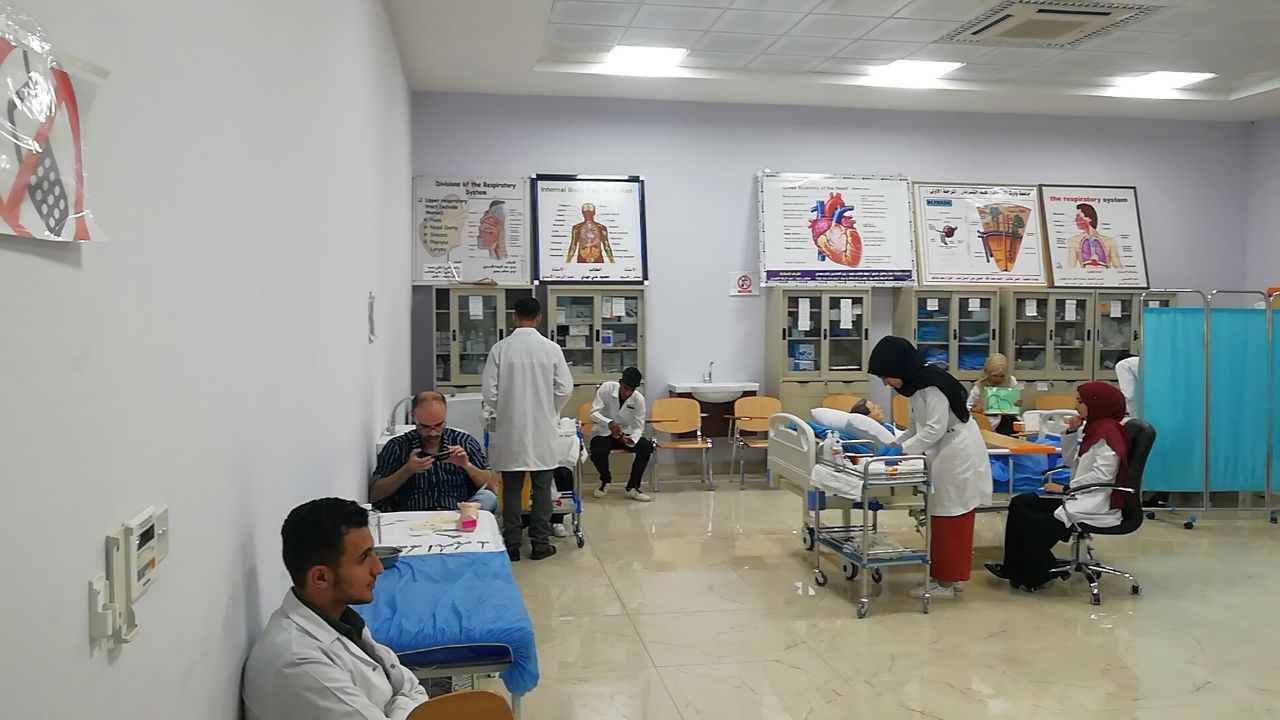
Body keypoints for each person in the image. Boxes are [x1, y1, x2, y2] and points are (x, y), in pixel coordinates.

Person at [243, 498, 427, 719]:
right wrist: (403, 699)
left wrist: (400, 700)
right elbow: (409, 694)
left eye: (373, 553)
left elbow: (412, 687)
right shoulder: (297, 664)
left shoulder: (341, 620)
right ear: (321, 577)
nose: (378, 568)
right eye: (364, 558)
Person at [868, 336, 992, 599]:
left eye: (885, 377)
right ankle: (950, 576)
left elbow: (935, 428)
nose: (885, 383)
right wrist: (893, 443)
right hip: (944, 448)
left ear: (899, 368)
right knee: (943, 516)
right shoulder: (915, 386)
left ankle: (946, 582)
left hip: (956, 451)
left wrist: (903, 452)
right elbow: (916, 426)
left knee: (951, 517)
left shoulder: (932, 386)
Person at [985, 382, 1131, 591]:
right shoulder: (1096, 428)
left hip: (1093, 499)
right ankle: (1018, 568)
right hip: (1081, 492)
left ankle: (1032, 572)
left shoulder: (1108, 433)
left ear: (1097, 404)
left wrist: (1066, 489)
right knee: (1020, 503)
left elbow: (1104, 476)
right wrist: (1071, 432)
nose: (1076, 406)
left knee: (1030, 513)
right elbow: (1071, 462)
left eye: (1081, 402)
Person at [482, 296, 573, 562]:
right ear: (539, 318)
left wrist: (506, 408)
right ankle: (540, 543)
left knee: (511, 488)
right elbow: (565, 388)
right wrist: (549, 408)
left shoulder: (500, 349)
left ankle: (512, 544)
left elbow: (489, 392)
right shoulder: (551, 349)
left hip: (511, 430)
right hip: (542, 429)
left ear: (514, 317)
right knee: (542, 487)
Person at [368, 391, 496, 514]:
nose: (433, 433)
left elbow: (492, 486)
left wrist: (467, 465)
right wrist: (407, 470)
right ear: (413, 417)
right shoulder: (397, 446)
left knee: (488, 497)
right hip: (413, 513)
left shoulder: (464, 441)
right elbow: (375, 495)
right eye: (425, 427)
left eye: (438, 425)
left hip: (456, 511)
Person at [588, 367, 653, 502]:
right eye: (625, 388)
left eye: (631, 390)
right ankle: (605, 480)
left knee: (646, 446)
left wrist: (631, 439)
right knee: (598, 451)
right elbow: (593, 413)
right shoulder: (606, 388)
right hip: (603, 432)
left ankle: (633, 487)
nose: (627, 393)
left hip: (624, 434)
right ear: (620, 382)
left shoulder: (639, 400)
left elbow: (638, 426)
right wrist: (609, 423)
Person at [967, 353, 1021, 435]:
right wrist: (974, 409)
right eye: (995, 376)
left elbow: (1017, 401)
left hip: (1008, 420)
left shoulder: (1011, 381)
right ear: (988, 374)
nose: (998, 379)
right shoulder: (979, 386)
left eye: (1002, 376)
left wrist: (1017, 403)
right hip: (988, 423)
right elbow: (967, 407)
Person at [1066, 203, 1123, 270]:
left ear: (1089, 219)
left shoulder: (1110, 241)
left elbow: (1119, 269)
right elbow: (1070, 268)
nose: (1075, 220)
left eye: (1078, 217)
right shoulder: (1073, 241)